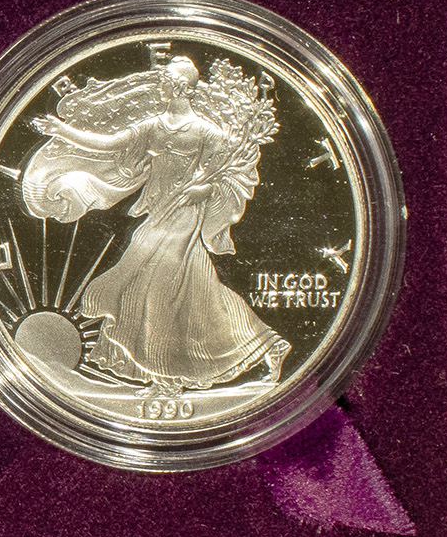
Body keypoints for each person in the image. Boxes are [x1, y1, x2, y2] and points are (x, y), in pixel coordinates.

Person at [22, 55, 287, 391]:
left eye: (166, 80)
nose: (160, 84)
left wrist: (204, 189)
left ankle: (165, 377)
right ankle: (265, 344)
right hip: (158, 214)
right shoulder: (153, 127)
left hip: (184, 216)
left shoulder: (208, 132)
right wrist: (63, 130)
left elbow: (231, 176)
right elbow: (108, 144)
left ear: (181, 87)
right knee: (196, 291)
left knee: (158, 285)